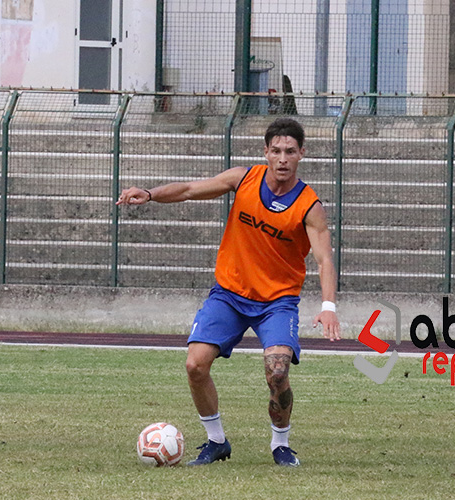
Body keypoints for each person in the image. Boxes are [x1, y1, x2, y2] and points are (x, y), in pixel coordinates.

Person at [116, 117, 340, 467]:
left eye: (290, 152)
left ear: (301, 155)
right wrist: (150, 194)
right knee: (195, 365)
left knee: (277, 371)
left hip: (276, 302)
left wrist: (329, 306)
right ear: (265, 152)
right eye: (276, 151)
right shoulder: (243, 179)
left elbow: (325, 259)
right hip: (230, 295)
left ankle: (280, 445)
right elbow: (191, 189)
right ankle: (216, 441)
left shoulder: (309, 206)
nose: (283, 158)